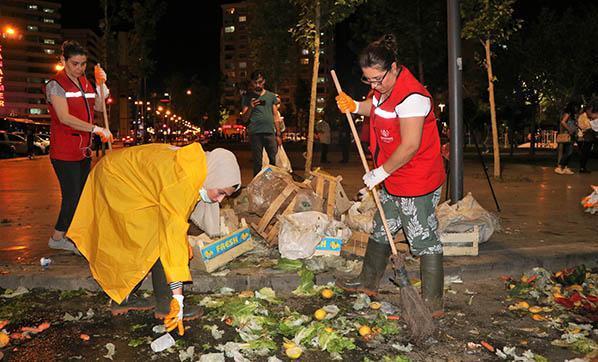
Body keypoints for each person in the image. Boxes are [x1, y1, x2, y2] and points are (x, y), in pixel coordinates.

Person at [67, 143, 241, 334]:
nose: (220, 200)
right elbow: (171, 236)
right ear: (213, 176)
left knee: (147, 236)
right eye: (221, 192)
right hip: (116, 180)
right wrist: (179, 299)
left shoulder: (199, 166)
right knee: (148, 238)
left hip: (121, 175)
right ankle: (166, 303)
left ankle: (124, 297)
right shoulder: (182, 180)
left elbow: (174, 215)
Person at [334, 34, 446, 316]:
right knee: (382, 228)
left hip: (416, 177)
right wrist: (355, 106)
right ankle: (367, 282)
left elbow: (409, 146)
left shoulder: (413, 96)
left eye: (378, 79)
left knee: (423, 237)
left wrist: (379, 172)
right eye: (368, 80)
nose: (374, 85)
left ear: (394, 67)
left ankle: (433, 304)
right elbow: (376, 109)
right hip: (393, 176)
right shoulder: (382, 89)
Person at [44, 41, 113, 254]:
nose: (80, 68)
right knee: (72, 195)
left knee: (82, 196)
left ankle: (73, 236)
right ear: (63, 61)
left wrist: (102, 88)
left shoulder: (85, 82)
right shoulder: (56, 85)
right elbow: (64, 118)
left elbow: (99, 107)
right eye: (75, 63)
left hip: (83, 150)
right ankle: (57, 237)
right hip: (64, 150)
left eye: (83, 64)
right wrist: (96, 129)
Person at [241, 70, 282, 176]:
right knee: (257, 162)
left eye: (260, 82)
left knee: (273, 160)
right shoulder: (247, 97)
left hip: (269, 132)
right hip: (255, 133)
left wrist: (278, 134)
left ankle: (272, 181)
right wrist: (250, 106)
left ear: (264, 81)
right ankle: (257, 185)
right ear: (251, 82)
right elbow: (244, 118)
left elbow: (275, 115)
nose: (257, 85)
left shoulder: (271, 96)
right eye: (255, 82)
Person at [555, 102, 579, 175]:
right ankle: (559, 167)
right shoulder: (568, 113)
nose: (576, 108)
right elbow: (563, 122)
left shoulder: (573, 115)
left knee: (570, 152)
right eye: (576, 107)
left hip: (572, 134)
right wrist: (569, 129)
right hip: (568, 134)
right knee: (569, 152)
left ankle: (565, 167)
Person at [577, 99, 598, 173]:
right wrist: (588, 128)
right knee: (585, 152)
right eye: (590, 109)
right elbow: (580, 125)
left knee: (587, 152)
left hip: (592, 135)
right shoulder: (582, 116)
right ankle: (582, 167)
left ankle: (583, 167)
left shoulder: (592, 116)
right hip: (586, 135)